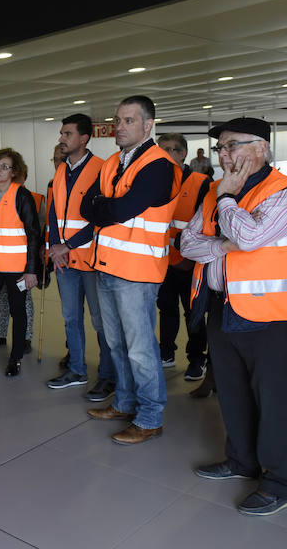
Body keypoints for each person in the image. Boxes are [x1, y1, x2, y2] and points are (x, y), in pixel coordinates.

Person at [181, 117, 287, 516]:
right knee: (232, 390)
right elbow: (188, 243)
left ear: (261, 148)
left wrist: (226, 202)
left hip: (271, 313)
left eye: (232, 145)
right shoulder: (214, 192)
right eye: (220, 148)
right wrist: (225, 244)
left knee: (272, 398)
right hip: (223, 305)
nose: (224, 155)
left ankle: (280, 483)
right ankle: (242, 460)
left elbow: (249, 237)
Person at [81, 95, 181, 445]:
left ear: (148, 125)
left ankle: (150, 417)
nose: (119, 127)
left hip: (137, 272)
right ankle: (124, 403)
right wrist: (107, 207)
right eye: (117, 120)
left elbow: (121, 209)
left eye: (128, 120)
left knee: (140, 349)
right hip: (107, 266)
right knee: (116, 343)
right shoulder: (112, 162)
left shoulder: (159, 165)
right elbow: (87, 206)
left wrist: (106, 206)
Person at [46, 114, 116, 402]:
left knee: (101, 321)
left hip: (91, 260)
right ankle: (76, 370)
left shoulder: (102, 169)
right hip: (65, 260)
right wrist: (55, 247)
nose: (62, 138)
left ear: (84, 138)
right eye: (62, 133)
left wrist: (68, 245)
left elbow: (101, 218)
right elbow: (54, 213)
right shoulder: (62, 169)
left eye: (68, 134)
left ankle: (108, 376)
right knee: (71, 318)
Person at [0, 148, 40, 376]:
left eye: (5, 166)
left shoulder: (21, 195)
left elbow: (33, 234)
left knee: (18, 311)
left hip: (16, 268)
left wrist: (31, 270)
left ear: (14, 172)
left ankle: (15, 359)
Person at [156, 133, 210, 382]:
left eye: (169, 150)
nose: (164, 155)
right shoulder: (157, 182)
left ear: (182, 154)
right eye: (161, 150)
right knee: (166, 309)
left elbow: (207, 224)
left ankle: (197, 359)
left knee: (193, 313)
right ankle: (166, 352)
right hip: (163, 261)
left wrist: (193, 257)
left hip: (190, 263)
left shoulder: (201, 183)